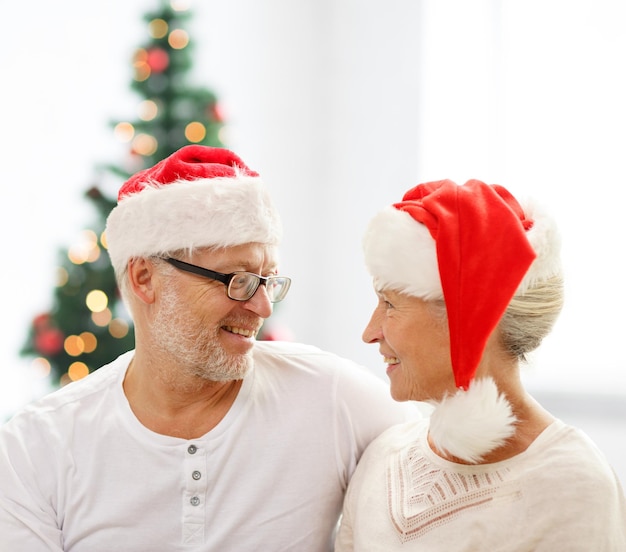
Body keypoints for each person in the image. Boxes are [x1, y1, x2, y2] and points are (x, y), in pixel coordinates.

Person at [0, 145, 417, 551]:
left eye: (267, 280)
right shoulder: (36, 447)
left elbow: (448, 486)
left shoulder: (335, 400)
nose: (263, 306)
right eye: (238, 280)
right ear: (145, 278)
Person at [335, 179, 626, 550]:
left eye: (390, 304)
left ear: (470, 321)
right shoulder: (383, 456)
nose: (370, 332)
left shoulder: (572, 485)